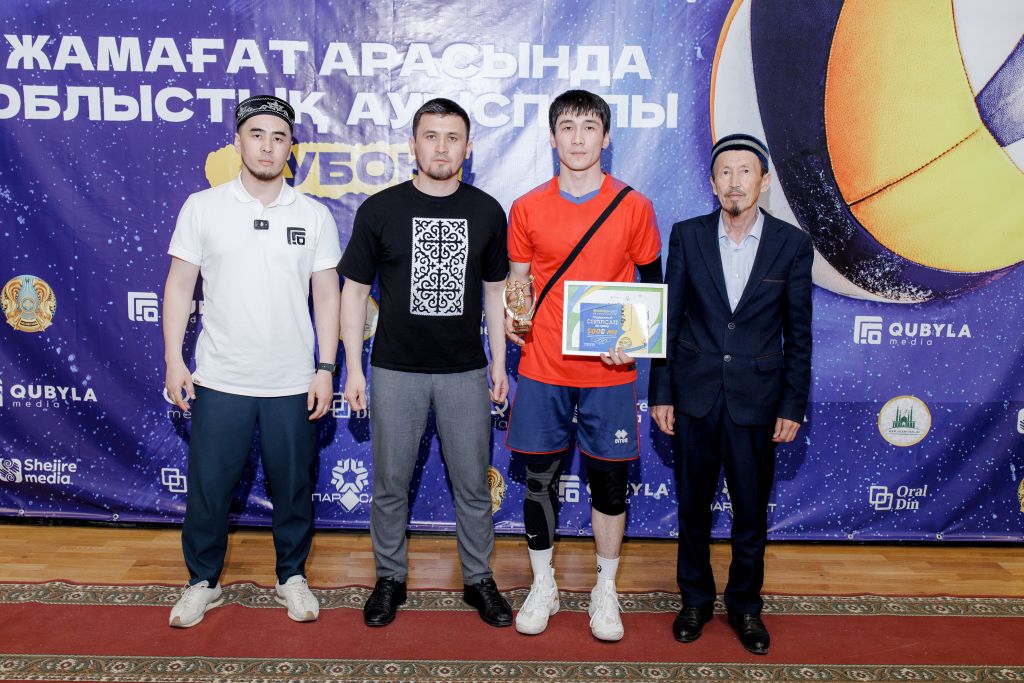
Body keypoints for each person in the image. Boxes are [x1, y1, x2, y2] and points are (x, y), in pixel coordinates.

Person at [163, 95, 341, 627]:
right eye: (257, 135)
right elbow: (179, 287)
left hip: (292, 381)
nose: (267, 146)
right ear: (237, 141)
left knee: (293, 490)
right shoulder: (203, 207)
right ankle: (202, 582)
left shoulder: (313, 215)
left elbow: (327, 296)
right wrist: (174, 359)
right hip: (220, 378)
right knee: (209, 492)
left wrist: (326, 368)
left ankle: (292, 577)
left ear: (291, 148)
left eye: (278, 137)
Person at [338, 98, 513, 628]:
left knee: (473, 486)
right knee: (390, 485)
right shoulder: (379, 210)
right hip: (394, 370)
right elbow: (353, 293)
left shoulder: (487, 211)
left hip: (465, 371)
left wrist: (498, 362)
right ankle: (389, 579)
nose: (441, 147)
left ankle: (479, 580)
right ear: (413, 144)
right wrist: (352, 367)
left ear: (468, 147)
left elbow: (495, 292)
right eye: (431, 136)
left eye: (452, 137)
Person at [504, 89, 662, 641]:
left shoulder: (634, 206)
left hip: (608, 372)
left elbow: (651, 285)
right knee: (539, 481)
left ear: (606, 136)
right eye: (567, 127)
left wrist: (636, 339)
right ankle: (543, 584)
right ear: (552, 137)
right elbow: (519, 280)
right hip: (543, 365)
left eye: (589, 127)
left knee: (610, 485)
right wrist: (515, 316)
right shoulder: (527, 207)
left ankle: (605, 589)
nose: (577, 138)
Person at [649, 133, 813, 655]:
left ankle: (745, 606)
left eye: (745, 172)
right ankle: (695, 600)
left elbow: (799, 334)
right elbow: (669, 320)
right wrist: (661, 392)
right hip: (694, 396)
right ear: (713, 182)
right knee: (693, 508)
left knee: (750, 511)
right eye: (725, 172)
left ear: (763, 182)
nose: (734, 181)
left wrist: (792, 403)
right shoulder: (687, 235)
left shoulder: (791, 244)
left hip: (757, 400)